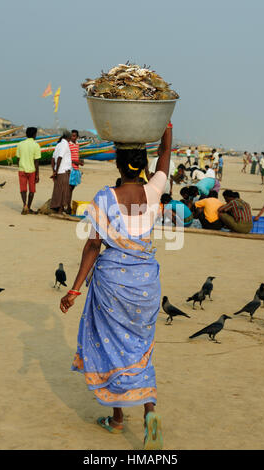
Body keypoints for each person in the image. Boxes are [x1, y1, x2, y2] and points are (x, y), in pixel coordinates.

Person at [59, 126, 173, 450]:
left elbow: (93, 246)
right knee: (140, 349)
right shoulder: (154, 190)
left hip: (112, 287)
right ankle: (150, 413)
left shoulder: (105, 197)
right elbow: (165, 159)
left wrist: (74, 289)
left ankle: (118, 418)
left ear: (116, 162)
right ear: (143, 163)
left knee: (111, 346)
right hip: (147, 286)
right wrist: (167, 128)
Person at [16, 127, 41, 214]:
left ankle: (24, 205)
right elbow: (36, 162)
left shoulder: (20, 144)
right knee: (32, 190)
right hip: (32, 170)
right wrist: (37, 174)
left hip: (22, 169)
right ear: (34, 135)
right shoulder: (36, 145)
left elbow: (18, 159)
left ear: (26, 134)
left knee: (23, 189)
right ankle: (29, 207)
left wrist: (20, 166)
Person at [50, 130, 72, 214]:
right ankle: (60, 210)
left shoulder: (58, 144)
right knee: (63, 191)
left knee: (58, 190)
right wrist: (56, 171)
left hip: (59, 171)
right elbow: (59, 158)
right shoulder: (65, 145)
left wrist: (54, 170)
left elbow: (52, 159)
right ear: (68, 138)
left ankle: (57, 208)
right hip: (63, 171)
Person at [67, 130, 84, 214]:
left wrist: (80, 161)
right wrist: (77, 162)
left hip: (76, 168)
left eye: (74, 136)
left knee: (72, 188)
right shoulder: (69, 145)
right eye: (72, 136)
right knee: (69, 188)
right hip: (71, 168)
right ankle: (67, 206)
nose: (73, 137)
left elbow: (76, 155)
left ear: (77, 137)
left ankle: (68, 205)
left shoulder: (77, 144)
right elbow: (68, 157)